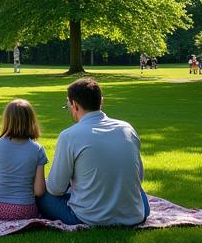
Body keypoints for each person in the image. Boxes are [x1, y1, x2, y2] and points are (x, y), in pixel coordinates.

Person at [37, 77, 149, 226]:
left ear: (74, 105)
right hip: (133, 215)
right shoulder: (127, 129)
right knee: (137, 193)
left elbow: (55, 189)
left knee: (41, 194)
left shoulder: (70, 136)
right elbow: (138, 179)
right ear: (101, 101)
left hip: (89, 217)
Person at [0, 99, 47, 220]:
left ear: (6, 120)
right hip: (23, 210)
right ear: (31, 121)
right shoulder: (38, 149)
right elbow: (39, 191)